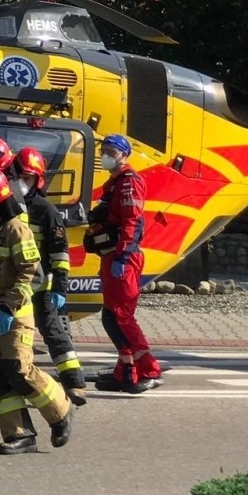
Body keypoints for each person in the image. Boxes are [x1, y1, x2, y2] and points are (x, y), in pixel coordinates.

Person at [0, 163, 74, 455]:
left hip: (10, 318)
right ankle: (19, 434)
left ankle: (61, 410)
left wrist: (8, 309)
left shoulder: (15, 230)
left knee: (18, 371)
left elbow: (32, 274)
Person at [87, 134, 161, 393]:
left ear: (123, 155)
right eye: (103, 151)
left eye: (110, 151)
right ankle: (125, 371)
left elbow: (132, 221)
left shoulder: (129, 182)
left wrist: (122, 256)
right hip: (112, 256)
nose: (104, 156)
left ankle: (149, 370)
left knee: (121, 318)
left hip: (123, 258)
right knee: (111, 317)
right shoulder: (115, 183)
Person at [12, 147, 86, 403]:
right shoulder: (8, 206)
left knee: (52, 331)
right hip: (15, 284)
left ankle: (75, 384)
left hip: (42, 285)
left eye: (28, 178)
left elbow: (60, 254)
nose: (22, 183)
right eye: (19, 176)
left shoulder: (46, 210)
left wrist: (60, 290)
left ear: (38, 180)